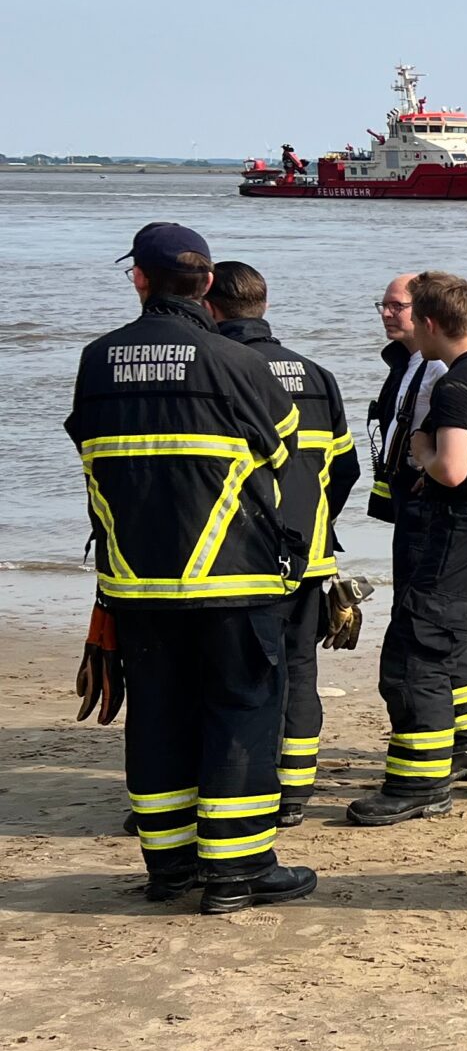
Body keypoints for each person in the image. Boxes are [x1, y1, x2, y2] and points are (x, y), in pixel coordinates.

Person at [63, 222, 318, 914]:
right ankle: (237, 874)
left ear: (139, 280)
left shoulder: (96, 360)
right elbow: (285, 458)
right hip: (233, 580)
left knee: (156, 717)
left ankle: (168, 869)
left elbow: (90, 453)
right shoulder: (238, 364)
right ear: (206, 285)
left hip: (135, 584)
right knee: (241, 713)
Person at [351, 271, 467, 824]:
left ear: (431, 323)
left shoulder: (457, 385)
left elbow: (453, 470)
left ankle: (420, 784)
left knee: (418, 651)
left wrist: (421, 448)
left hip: (460, 529)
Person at [207, 262, 359, 827]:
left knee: (235, 675)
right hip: (310, 555)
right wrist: (315, 521)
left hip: (235, 559)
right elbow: (345, 469)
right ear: (263, 306)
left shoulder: (217, 367)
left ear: (210, 306)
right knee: (299, 670)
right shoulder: (317, 375)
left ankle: (247, 781)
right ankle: (295, 792)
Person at [363, 275, 439, 527]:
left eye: (397, 306)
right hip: (402, 498)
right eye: (383, 306)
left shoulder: (439, 368)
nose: (385, 314)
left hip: (425, 500)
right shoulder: (402, 363)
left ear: (424, 310)